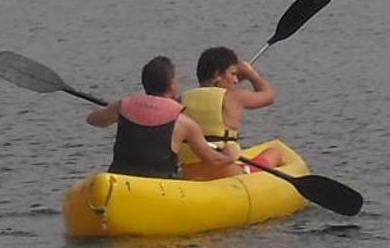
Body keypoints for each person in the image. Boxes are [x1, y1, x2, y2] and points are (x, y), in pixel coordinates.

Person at [85, 55, 238, 179]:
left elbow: (93, 120)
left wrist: (108, 110)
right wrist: (230, 157)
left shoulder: (123, 105)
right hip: (158, 186)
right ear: (171, 84)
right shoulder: (184, 122)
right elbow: (212, 159)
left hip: (121, 178)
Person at [176, 46, 294, 180]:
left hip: (190, 173)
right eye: (233, 74)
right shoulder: (233, 97)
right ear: (217, 75)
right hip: (229, 173)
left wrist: (233, 75)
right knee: (275, 153)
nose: (236, 80)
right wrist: (250, 74)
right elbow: (268, 96)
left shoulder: (181, 100)